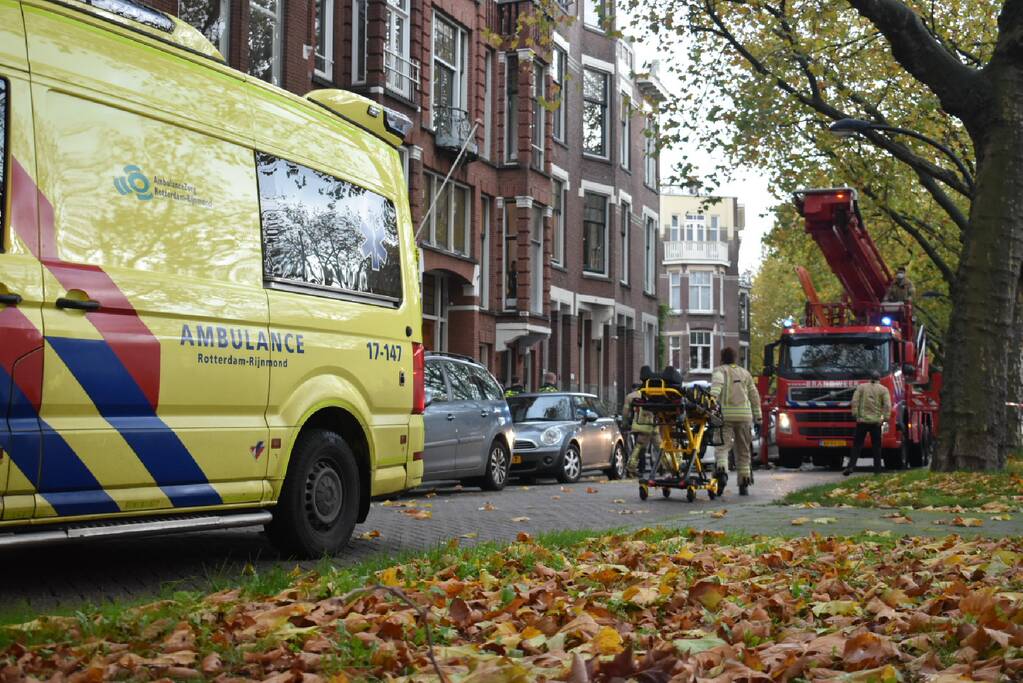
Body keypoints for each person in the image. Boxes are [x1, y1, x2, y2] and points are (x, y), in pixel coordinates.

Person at [710, 347, 762, 496]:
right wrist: (758, 417)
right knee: (743, 449)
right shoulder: (745, 373)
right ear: (735, 358)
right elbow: (754, 396)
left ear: (722, 357)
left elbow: (717, 386)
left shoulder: (720, 371)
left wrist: (711, 400)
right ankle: (744, 483)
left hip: (725, 416)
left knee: (722, 446)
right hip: (744, 416)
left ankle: (722, 472)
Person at [844, 369, 892, 475]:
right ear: (879, 379)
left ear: (869, 378)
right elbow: (887, 405)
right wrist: (885, 418)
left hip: (862, 421)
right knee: (877, 447)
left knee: (857, 445)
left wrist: (855, 414)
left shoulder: (861, 387)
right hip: (876, 423)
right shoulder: (883, 390)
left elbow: (855, 401)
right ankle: (877, 470)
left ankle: (851, 466)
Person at [622, 366, 656, 477]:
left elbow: (625, 412)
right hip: (655, 425)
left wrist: (624, 424)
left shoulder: (632, 396)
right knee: (661, 447)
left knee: (638, 447)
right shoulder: (657, 392)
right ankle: (670, 469)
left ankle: (631, 469)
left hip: (639, 425)